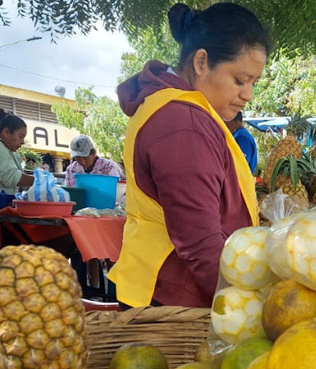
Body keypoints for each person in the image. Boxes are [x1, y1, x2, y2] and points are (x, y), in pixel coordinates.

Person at [108, 2, 268, 309]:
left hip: (161, 288)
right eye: (239, 80)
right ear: (201, 61)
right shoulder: (184, 122)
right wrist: (247, 309)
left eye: (253, 83)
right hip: (173, 298)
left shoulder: (168, 104)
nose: (248, 95)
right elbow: (200, 243)